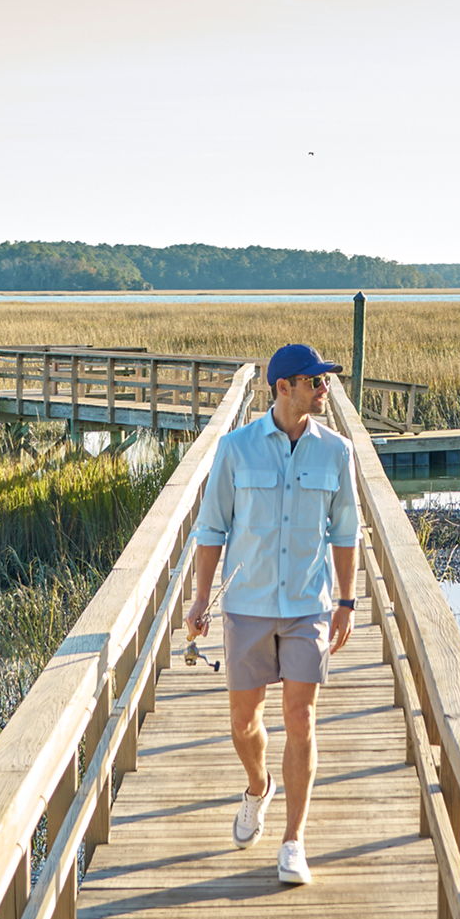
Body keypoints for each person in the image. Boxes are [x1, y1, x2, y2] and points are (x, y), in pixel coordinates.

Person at [183, 342, 363, 886]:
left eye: (326, 381)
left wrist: (347, 602)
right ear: (283, 387)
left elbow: (347, 532)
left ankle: (293, 842)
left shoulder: (336, 452)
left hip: (308, 605)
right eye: (315, 381)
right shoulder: (236, 449)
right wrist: (199, 600)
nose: (325, 389)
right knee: (243, 724)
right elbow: (212, 528)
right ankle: (259, 787)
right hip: (248, 605)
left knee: (301, 720)